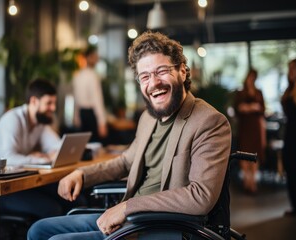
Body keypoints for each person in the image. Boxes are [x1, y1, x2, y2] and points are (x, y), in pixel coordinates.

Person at [27, 31, 232, 240]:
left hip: (162, 228)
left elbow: (201, 196)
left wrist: (127, 207)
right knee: (38, 230)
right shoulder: (148, 118)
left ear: (182, 71)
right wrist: (83, 174)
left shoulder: (209, 122)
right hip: (131, 221)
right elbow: (126, 162)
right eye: (145, 76)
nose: (153, 83)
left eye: (161, 71)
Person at [0, 79, 82, 218]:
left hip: (25, 185)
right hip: (3, 191)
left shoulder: (40, 123)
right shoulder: (12, 119)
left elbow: (59, 147)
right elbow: (7, 159)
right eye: (48, 103)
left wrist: (49, 155)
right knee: (52, 209)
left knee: (76, 200)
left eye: (54, 103)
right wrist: (40, 158)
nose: (53, 108)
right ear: (34, 101)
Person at [233, 69, 266, 194]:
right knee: (244, 152)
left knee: (254, 152)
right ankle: (247, 180)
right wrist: (246, 108)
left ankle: (253, 181)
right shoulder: (240, 92)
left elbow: (262, 109)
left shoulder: (259, 92)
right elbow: (237, 109)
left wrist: (252, 108)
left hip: (255, 127)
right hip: (245, 127)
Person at [281, 58, 296, 216]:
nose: (290, 72)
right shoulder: (289, 90)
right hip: (290, 135)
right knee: (290, 168)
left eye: (293, 69)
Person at [73, 45, 108, 144]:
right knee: (94, 146)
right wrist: (102, 122)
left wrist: (76, 117)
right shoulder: (93, 76)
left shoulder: (77, 75)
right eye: (95, 56)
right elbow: (97, 100)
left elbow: (76, 99)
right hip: (91, 115)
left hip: (81, 114)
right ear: (89, 57)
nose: (97, 59)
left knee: (84, 146)